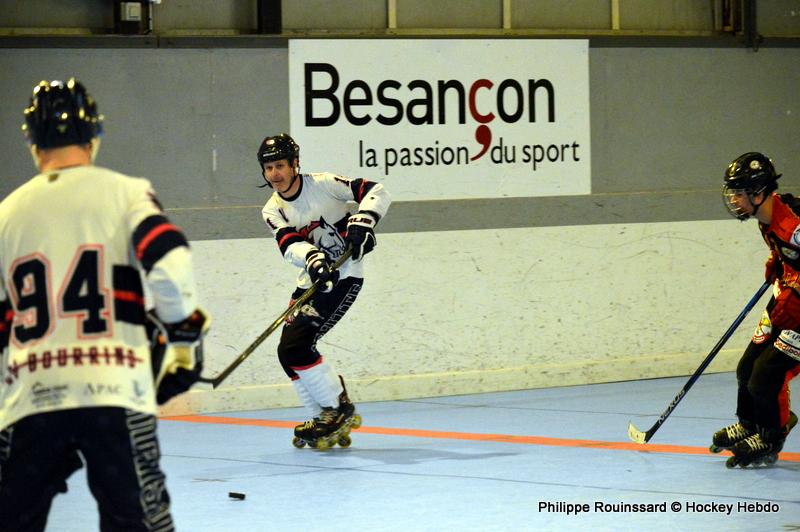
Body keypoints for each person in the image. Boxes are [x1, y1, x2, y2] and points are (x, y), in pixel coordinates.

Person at [0, 78, 210, 531]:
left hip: (32, 394)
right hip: (115, 388)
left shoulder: (7, 213)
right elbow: (169, 262)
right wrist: (183, 334)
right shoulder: (125, 192)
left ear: (32, 141)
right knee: (139, 520)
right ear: (94, 136)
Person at [258, 133, 390, 449]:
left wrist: (364, 222)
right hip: (311, 282)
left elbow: (376, 191)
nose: (274, 174)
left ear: (295, 164)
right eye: (268, 168)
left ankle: (337, 407)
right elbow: (288, 244)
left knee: (297, 345)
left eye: (280, 166)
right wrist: (313, 259)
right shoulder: (272, 209)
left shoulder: (324, 184)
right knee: (287, 352)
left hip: (345, 277)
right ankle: (321, 415)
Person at [714, 151, 800, 467]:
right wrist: (777, 261)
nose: (734, 199)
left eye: (739, 193)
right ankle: (751, 423)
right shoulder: (766, 220)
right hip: (786, 298)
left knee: (766, 375)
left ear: (759, 193)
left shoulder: (793, 226)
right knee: (747, 368)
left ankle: (772, 435)